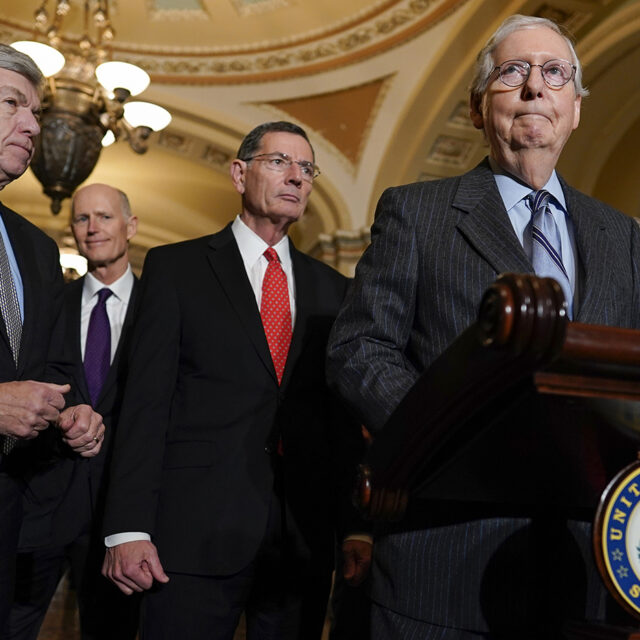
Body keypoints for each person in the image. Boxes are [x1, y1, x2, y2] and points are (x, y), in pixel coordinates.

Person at [326, 14, 640, 639]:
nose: (534, 87)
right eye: (512, 72)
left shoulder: (624, 237)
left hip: (588, 559)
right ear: (476, 108)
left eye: (555, 74)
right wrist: (445, 436)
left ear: (574, 108)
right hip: (445, 552)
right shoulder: (417, 213)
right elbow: (359, 348)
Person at [101, 121, 368, 640]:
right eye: (279, 162)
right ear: (239, 174)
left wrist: (356, 525)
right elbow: (144, 404)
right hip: (191, 533)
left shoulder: (335, 290)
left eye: (307, 168)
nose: (296, 177)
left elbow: (340, 421)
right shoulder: (176, 269)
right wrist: (128, 527)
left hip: (301, 541)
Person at [0, 44, 104, 634]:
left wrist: (75, 415)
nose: (33, 125)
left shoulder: (37, 249)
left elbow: (52, 368)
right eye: (14, 103)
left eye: (37, 112)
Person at [6, 184, 140, 640]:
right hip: (42, 501)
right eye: (82, 219)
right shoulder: (49, 300)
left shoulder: (161, 308)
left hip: (117, 514)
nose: (92, 228)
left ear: (131, 226)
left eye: (104, 216)